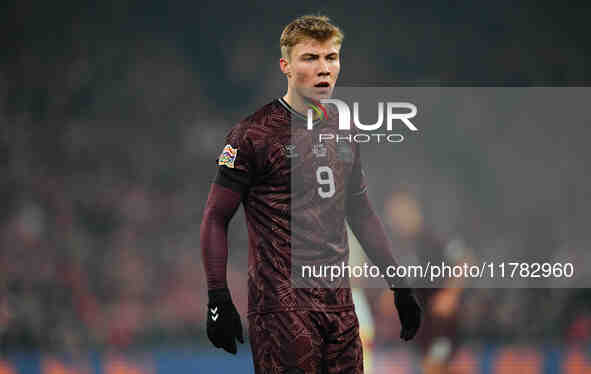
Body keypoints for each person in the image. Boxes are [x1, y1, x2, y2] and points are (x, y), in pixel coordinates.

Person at [200, 14, 421, 373]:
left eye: (330, 58)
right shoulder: (252, 134)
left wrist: (399, 286)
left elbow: (361, 213)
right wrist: (217, 296)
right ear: (285, 66)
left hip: (340, 308)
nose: (323, 69)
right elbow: (215, 216)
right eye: (310, 58)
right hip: (282, 309)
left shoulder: (344, 131)